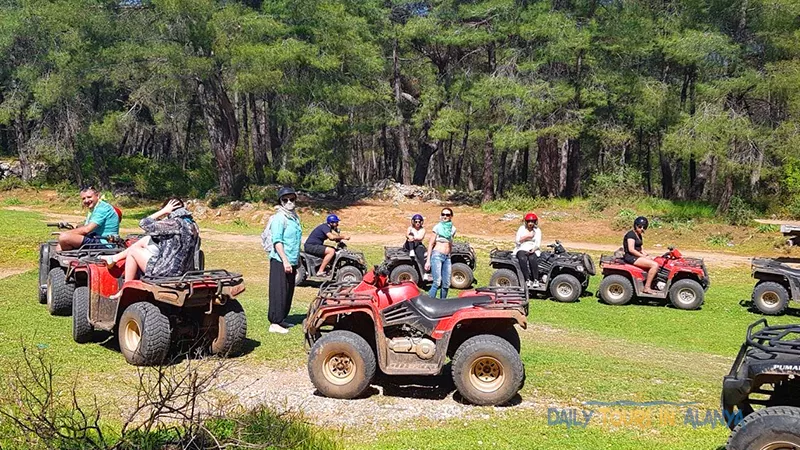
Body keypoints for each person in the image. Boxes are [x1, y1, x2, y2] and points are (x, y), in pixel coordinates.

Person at [101, 198, 199, 299]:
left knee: (133, 251)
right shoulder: (193, 225)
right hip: (184, 272)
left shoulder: (174, 223)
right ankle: (115, 258)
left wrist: (163, 211)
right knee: (145, 240)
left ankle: (125, 289)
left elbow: (144, 223)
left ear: (169, 209)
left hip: (167, 272)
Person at [267, 187, 303, 334]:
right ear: (280, 202)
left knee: (288, 291)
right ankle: (274, 322)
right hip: (280, 260)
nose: (289, 202)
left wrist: (297, 259)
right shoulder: (279, 218)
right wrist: (285, 261)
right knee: (279, 291)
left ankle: (282, 319)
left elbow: (296, 240)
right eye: (285, 200)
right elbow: (277, 241)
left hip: (292, 259)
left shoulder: (294, 217)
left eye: (292, 199)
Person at [56, 186, 120, 251]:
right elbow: (87, 225)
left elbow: (87, 229)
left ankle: (70, 255)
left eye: (89, 197)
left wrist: (67, 233)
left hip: (104, 243)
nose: (86, 200)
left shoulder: (102, 208)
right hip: (95, 238)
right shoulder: (95, 208)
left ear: (97, 196)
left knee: (64, 237)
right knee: (61, 243)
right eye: (83, 198)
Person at [425, 208, 456, 299]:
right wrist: (428, 261)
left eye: (447, 215)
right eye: (443, 214)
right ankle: (429, 303)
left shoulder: (453, 229)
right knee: (437, 282)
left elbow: (450, 242)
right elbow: (430, 244)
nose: (445, 216)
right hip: (437, 255)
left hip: (447, 257)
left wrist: (449, 254)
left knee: (446, 283)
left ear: (451, 216)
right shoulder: (437, 227)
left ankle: (443, 303)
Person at [623, 216, 658, 294]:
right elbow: (631, 249)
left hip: (637, 256)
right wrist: (643, 256)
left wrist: (648, 256)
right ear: (635, 226)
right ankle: (647, 287)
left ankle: (653, 283)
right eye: (640, 226)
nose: (642, 228)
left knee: (656, 260)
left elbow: (641, 249)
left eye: (644, 227)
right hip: (631, 257)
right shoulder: (631, 235)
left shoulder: (639, 235)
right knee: (654, 265)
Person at [515, 212, 542, 289]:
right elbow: (517, 241)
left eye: (532, 222)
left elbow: (538, 243)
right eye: (529, 222)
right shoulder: (521, 229)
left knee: (532, 259)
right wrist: (527, 237)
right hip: (522, 247)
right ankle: (527, 279)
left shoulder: (537, 230)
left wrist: (533, 249)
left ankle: (536, 279)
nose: (530, 224)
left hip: (533, 248)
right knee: (522, 258)